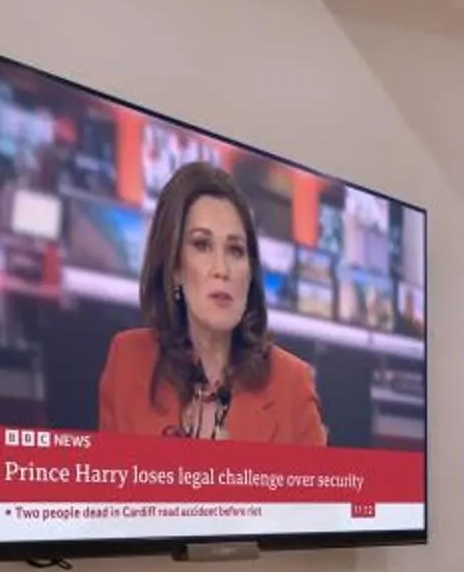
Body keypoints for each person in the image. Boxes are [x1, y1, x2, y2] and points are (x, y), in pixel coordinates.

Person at [96, 159, 327, 443]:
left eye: (235, 250)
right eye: (202, 245)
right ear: (175, 267)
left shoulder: (292, 384)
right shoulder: (128, 361)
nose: (222, 269)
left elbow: (320, 487)